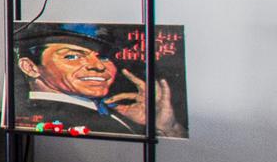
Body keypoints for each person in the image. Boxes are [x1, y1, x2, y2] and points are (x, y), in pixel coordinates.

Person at [13, 25, 179, 136]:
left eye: (104, 57)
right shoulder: (53, 118)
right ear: (30, 67)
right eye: (72, 56)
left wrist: (166, 126)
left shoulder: (111, 115)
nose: (99, 66)